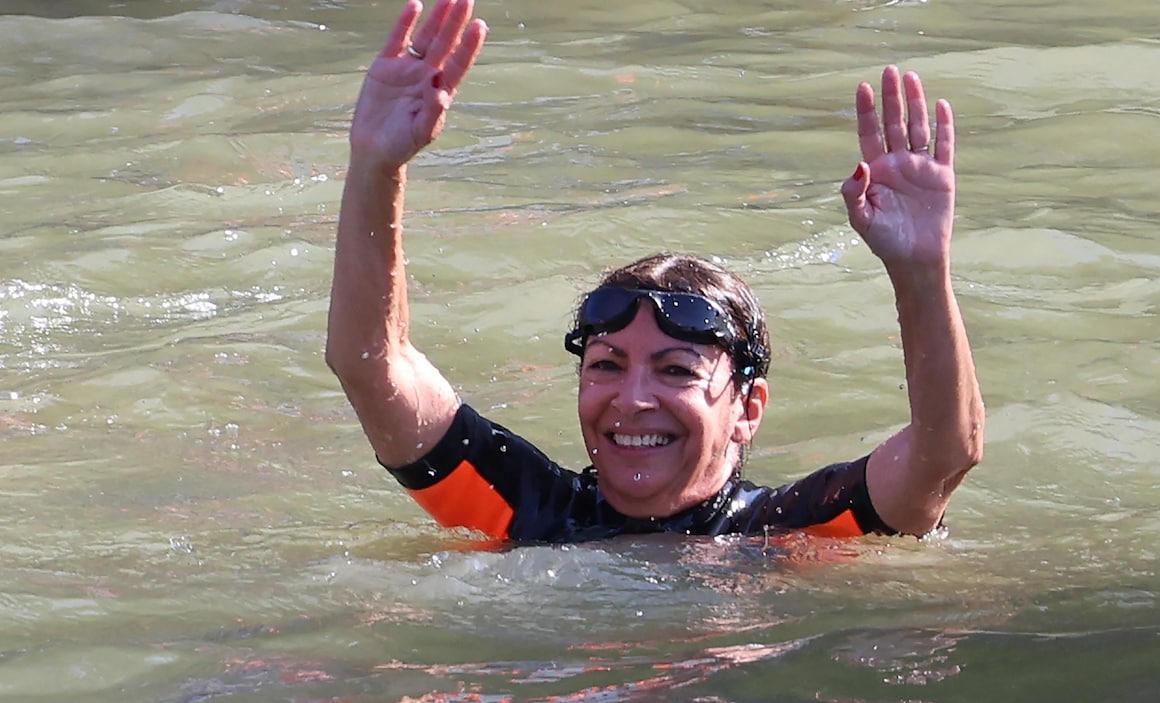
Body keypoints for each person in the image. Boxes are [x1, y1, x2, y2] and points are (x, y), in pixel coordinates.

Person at [326, 0, 984, 542]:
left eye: (674, 370)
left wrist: (922, 272)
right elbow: (370, 364)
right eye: (607, 364)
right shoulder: (526, 510)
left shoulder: (791, 533)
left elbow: (944, 451)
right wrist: (376, 169)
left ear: (748, 407)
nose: (632, 398)